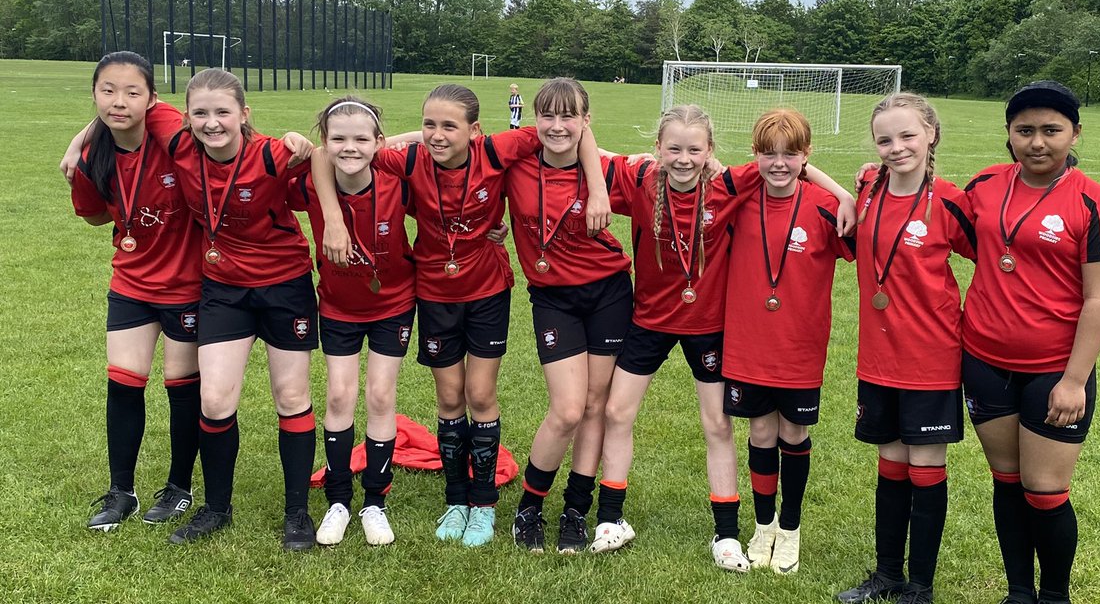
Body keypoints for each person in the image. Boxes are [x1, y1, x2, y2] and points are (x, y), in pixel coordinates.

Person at [319, 84, 608, 548]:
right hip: (433, 293)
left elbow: (577, 134)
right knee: (449, 398)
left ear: (475, 130)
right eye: (429, 124)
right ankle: (456, 499)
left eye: (449, 126)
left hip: (488, 291)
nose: (436, 135)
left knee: (480, 394)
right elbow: (322, 155)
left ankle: (484, 503)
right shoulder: (409, 161)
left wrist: (597, 189)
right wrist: (419, 138)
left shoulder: (497, 150)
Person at [591, 104, 855, 571]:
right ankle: (611, 520)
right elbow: (585, 147)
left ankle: (727, 534)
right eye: (673, 148)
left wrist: (843, 195)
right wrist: (596, 186)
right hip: (649, 319)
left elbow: (789, 159)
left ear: (711, 152)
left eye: (695, 149)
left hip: (709, 325)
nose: (684, 158)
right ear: (658, 149)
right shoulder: (637, 181)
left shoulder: (730, 185)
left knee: (717, 425)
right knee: (617, 410)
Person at [962, 80, 1100, 604]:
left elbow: (1099, 297)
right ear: (1008, 134)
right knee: (1007, 483)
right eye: (1024, 130)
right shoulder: (983, 185)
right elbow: (941, 231)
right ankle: (1018, 594)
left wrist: (1074, 380)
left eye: (1051, 130)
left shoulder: (1092, 200)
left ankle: (1055, 598)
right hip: (983, 361)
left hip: (1054, 371)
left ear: (1075, 133)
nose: (1036, 142)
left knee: (1045, 490)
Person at [163, 68, 325, 549]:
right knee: (214, 400)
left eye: (222, 112)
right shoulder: (178, 148)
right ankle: (217, 508)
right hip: (223, 289)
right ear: (187, 116)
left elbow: (327, 164)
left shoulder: (273, 154)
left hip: (285, 287)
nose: (212, 123)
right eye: (201, 113)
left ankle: (297, 513)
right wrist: (75, 145)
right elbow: (122, 110)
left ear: (244, 115)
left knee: (291, 396)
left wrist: (307, 147)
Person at [836, 94, 976, 604]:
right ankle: (888, 574)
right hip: (878, 357)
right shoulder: (869, 187)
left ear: (931, 135)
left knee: (924, 469)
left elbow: (992, 259)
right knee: (890, 467)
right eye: (885, 140)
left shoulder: (950, 200)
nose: (897, 148)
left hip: (931, 356)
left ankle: (920, 587)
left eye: (907, 136)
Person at [67, 51, 202, 530]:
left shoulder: (168, 128)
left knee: (181, 387)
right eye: (107, 90)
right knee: (124, 383)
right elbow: (95, 214)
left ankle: (180, 487)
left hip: (187, 284)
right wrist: (80, 142)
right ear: (94, 95)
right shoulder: (90, 157)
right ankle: (120, 490)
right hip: (131, 282)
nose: (118, 101)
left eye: (131, 92)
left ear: (152, 99)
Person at [722, 109, 854, 576]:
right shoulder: (737, 199)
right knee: (760, 433)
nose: (780, 163)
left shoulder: (826, 206)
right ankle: (764, 525)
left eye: (791, 154)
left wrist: (841, 192)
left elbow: (862, 242)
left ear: (807, 155)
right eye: (769, 153)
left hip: (799, 346)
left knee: (793, 434)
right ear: (754, 155)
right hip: (749, 343)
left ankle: (792, 529)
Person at [505, 78, 631, 553]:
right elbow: (445, 143)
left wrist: (598, 182)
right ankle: (529, 508)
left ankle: (576, 509)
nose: (557, 126)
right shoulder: (513, 163)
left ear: (585, 120)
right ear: (532, 118)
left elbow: (687, 174)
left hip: (610, 293)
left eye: (569, 116)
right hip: (553, 298)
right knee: (566, 409)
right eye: (548, 116)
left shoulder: (610, 171)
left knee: (596, 405)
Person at [291, 97, 415, 547]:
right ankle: (339, 501)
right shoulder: (309, 184)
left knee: (381, 394)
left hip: (394, 302)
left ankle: (375, 504)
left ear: (379, 143)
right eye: (338, 139)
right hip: (338, 306)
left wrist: (392, 144)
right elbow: (288, 158)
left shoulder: (399, 180)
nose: (350, 147)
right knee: (340, 395)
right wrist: (298, 146)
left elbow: (445, 155)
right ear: (324, 143)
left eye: (362, 139)